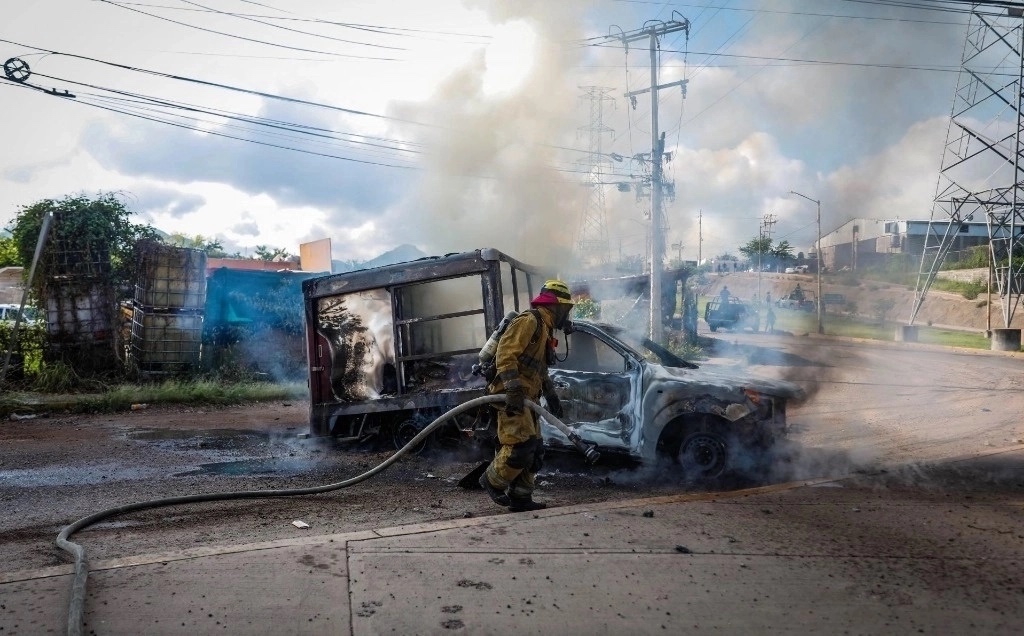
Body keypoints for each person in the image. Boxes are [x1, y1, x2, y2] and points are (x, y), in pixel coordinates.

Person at [479, 279, 574, 513]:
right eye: (566, 308)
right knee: (521, 445)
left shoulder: (545, 327)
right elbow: (505, 355)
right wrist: (512, 389)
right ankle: (491, 480)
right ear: (557, 305)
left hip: (528, 398)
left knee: (536, 449)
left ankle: (521, 498)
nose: (567, 314)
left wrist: (552, 398)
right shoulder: (530, 321)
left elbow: (539, 369)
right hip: (510, 396)